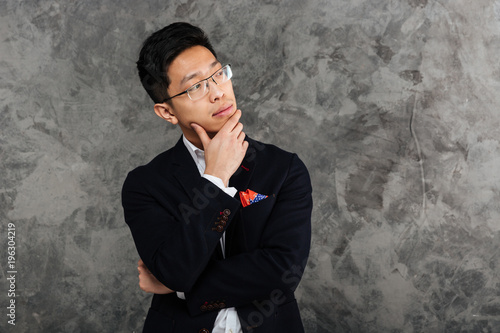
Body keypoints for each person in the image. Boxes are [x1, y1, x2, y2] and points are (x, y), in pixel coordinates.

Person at [121, 22, 313, 333]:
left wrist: (178, 287)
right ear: (167, 112)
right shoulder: (145, 184)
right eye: (195, 86)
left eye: (218, 74)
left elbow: (283, 271)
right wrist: (216, 177)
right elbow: (175, 269)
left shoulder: (284, 168)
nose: (217, 92)